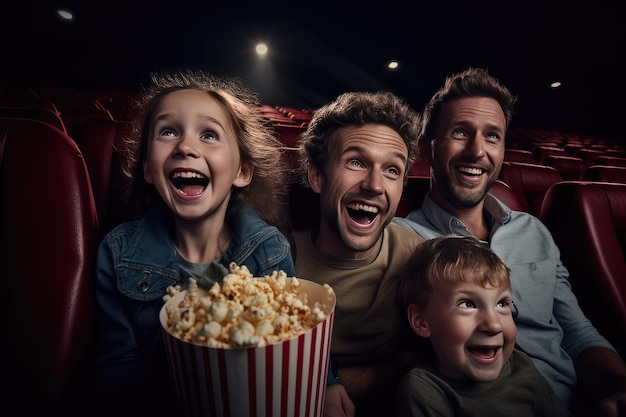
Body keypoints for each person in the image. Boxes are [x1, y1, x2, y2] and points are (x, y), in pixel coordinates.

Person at [393, 67, 626, 416]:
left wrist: (616, 386)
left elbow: (577, 332)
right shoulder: (403, 240)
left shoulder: (533, 231)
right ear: (430, 146)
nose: (477, 151)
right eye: (460, 132)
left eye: (492, 136)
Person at [93, 69, 296, 417]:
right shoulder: (117, 252)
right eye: (168, 132)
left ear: (241, 172)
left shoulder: (269, 250)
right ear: (146, 168)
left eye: (209, 135)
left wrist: (328, 381)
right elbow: (119, 362)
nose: (186, 147)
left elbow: (291, 340)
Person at [292, 91, 426, 417]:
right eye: (355, 162)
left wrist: (348, 383)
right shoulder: (273, 255)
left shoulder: (417, 258)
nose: (375, 185)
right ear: (317, 176)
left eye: (392, 170)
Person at [396, 235, 572, 417]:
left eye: (502, 304)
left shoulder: (521, 365)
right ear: (421, 321)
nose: (494, 325)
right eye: (467, 304)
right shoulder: (425, 390)